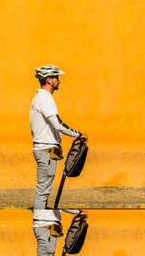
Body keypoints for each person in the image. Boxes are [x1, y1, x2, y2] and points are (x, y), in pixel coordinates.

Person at [30, 64, 88, 209]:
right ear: (49, 80)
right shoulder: (44, 98)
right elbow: (58, 124)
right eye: (56, 77)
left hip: (46, 150)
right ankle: (40, 222)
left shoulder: (40, 98)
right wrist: (78, 134)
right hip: (46, 150)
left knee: (44, 190)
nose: (59, 80)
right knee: (43, 191)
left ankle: (42, 220)